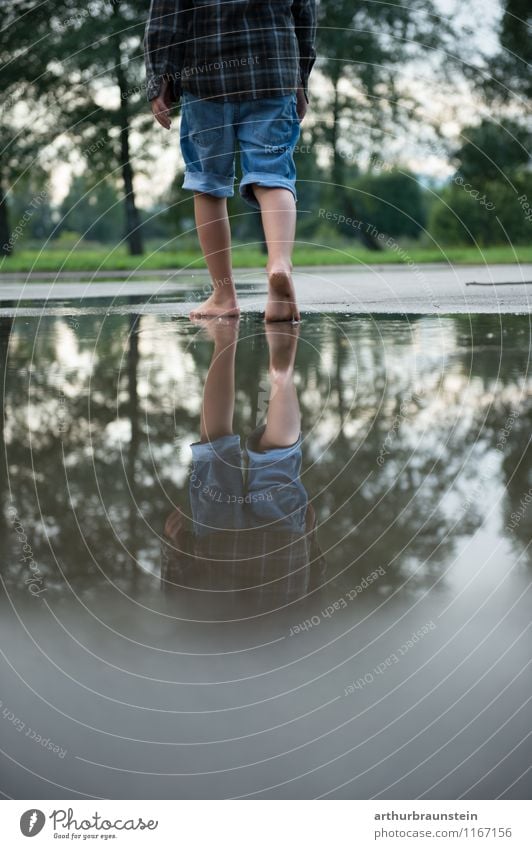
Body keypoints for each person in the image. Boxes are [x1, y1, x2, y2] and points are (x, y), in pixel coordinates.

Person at [144, 0, 317, 322]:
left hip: (206, 79)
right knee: (272, 174)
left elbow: (165, 20)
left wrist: (159, 80)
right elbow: (304, 14)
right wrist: (301, 79)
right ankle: (279, 263)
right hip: (273, 74)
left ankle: (224, 295)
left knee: (207, 182)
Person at [161, 320, 326, 609]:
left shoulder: (298, 646)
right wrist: (174, 549)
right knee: (215, 445)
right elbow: (181, 599)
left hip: (284, 561)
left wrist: (309, 539)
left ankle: (282, 381)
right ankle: (225, 338)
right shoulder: (204, 648)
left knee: (279, 458)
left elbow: (315, 589)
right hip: (218, 552)